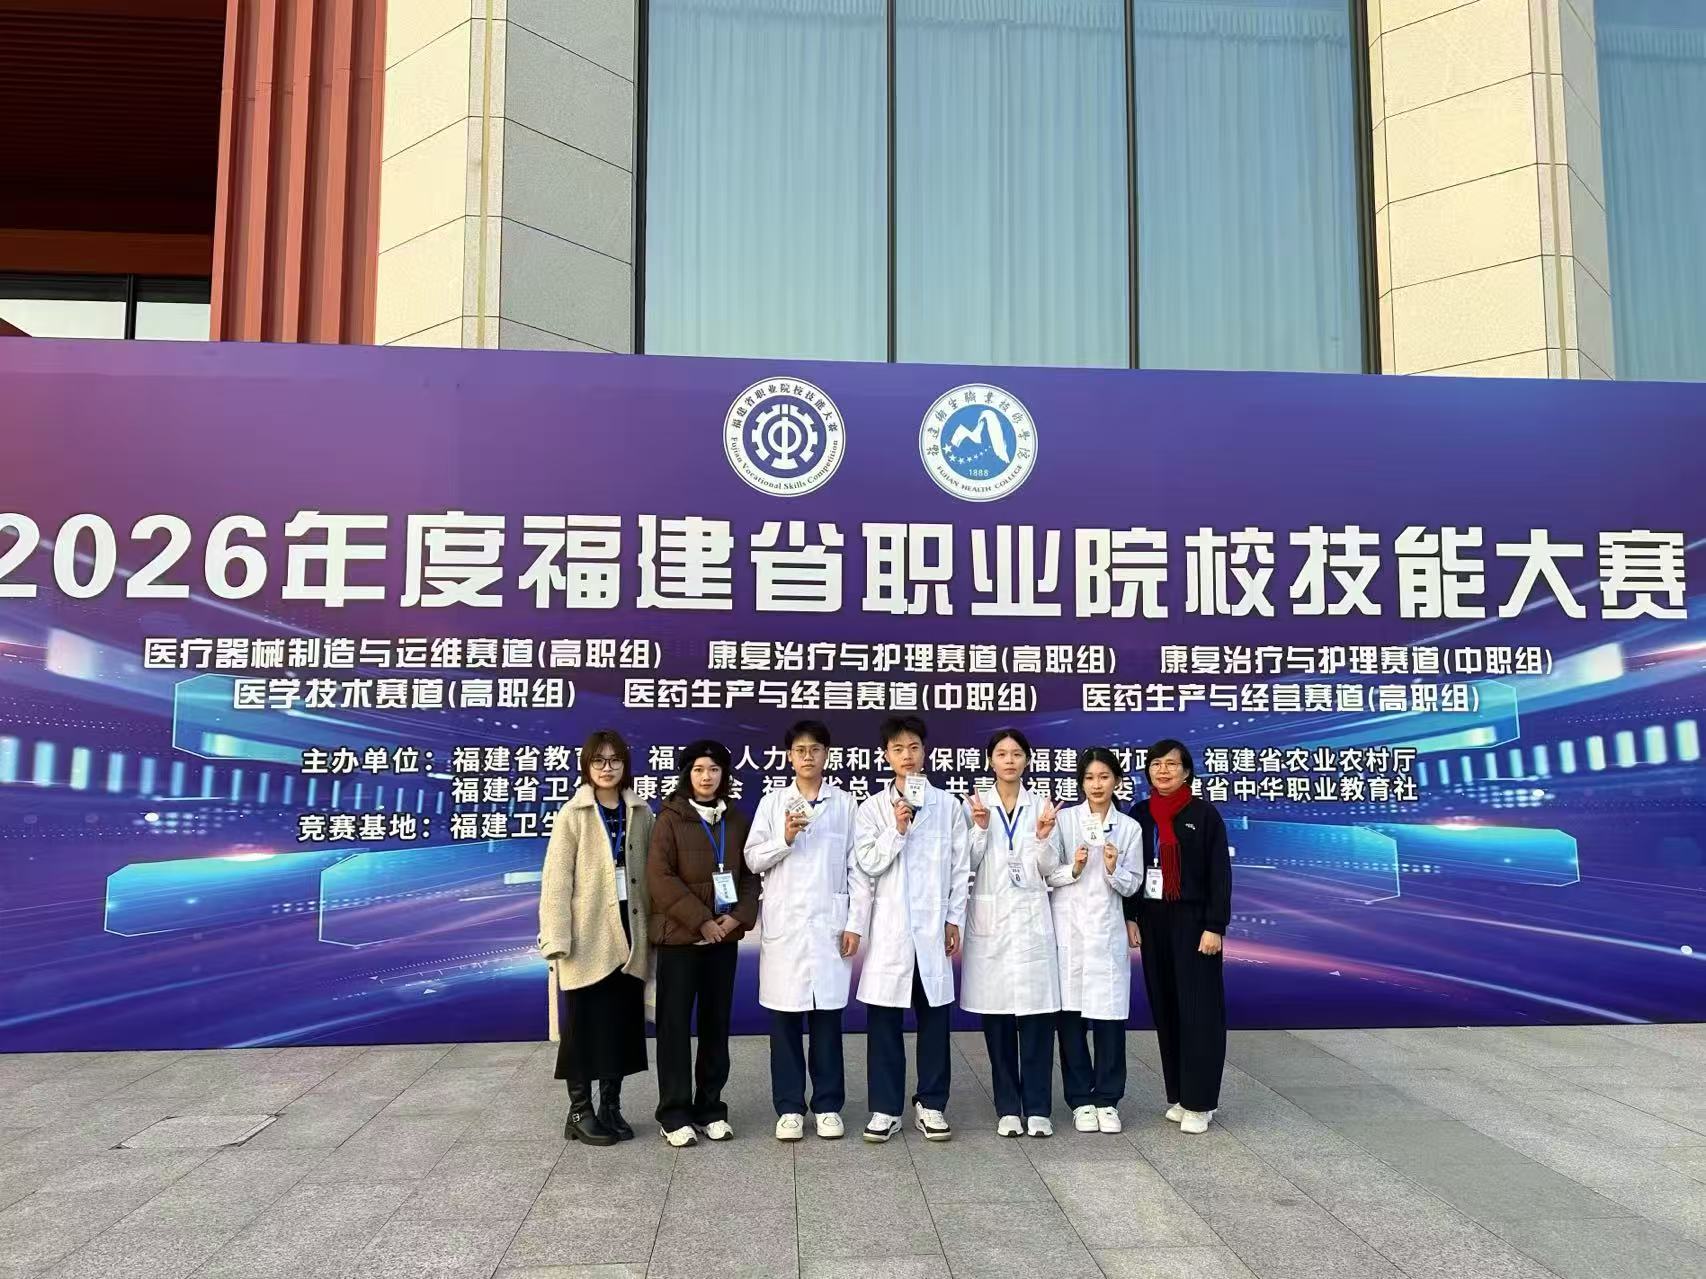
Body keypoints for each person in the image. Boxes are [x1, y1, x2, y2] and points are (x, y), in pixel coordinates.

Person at [850, 714, 970, 1143]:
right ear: (886, 755)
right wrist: (897, 830)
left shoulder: (947, 806)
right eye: (898, 748)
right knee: (884, 1022)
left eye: (914, 747)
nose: (907, 755)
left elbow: (960, 867)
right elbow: (867, 864)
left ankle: (932, 1104)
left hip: (934, 929)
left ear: (925, 753)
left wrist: (954, 918)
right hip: (892, 932)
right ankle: (885, 1109)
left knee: (934, 1021)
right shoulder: (871, 809)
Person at [743, 719, 860, 1141]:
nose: (807, 756)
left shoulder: (845, 805)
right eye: (800, 750)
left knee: (827, 1022)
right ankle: (790, 1107)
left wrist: (854, 923)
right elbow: (753, 859)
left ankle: (828, 1106)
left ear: (827, 755)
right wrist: (785, 838)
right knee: (785, 1023)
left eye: (815, 749)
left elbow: (857, 868)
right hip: (787, 930)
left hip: (829, 926)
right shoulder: (773, 804)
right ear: (789, 756)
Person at [537, 730, 654, 1146]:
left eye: (615, 760)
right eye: (599, 761)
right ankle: (579, 1111)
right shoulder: (574, 814)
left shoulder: (641, 811)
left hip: (631, 929)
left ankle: (611, 1107)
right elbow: (556, 881)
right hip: (586, 934)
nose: (607, 768)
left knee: (621, 1024)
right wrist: (556, 938)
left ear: (625, 765)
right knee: (584, 1026)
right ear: (587, 766)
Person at [646, 740, 758, 1147]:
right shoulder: (669, 818)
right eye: (698, 769)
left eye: (713, 769)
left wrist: (737, 917)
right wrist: (702, 922)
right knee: (674, 1027)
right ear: (687, 775)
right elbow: (660, 879)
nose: (706, 777)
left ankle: (711, 1108)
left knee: (716, 1025)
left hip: (722, 941)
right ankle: (674, 1113)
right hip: (679, 942)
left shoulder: (737, 820)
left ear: (724, 775)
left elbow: (751, 877)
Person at [1124, 739, 1232, 1135]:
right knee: (1167, 1007)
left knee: (1199, 1011)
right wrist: (1131, 916)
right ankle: (1181, 1096)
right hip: (1154, 921)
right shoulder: (1140, 815)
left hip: (1194, 922)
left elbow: (1219, 875)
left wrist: (1214, 926)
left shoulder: (1203, 815)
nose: (1163, 770)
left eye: (1172, 764)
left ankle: (1201, 1102)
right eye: (1156, 764)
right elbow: (1133, 870)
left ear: (1187, 772)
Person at [960, 728, 1061, 1138]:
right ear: (990, 761)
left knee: (1036, 1020)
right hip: (992, 922)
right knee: (998, 1020)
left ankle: (1037, 1108)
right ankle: (1007, 1107)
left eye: (1017, 754)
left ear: (1027, 761)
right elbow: (965, 862)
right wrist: (980, 829)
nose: (1009, 760)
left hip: (1031, 921)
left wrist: (1042, 837)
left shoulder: (1042, 807)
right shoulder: (974, 805)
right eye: (1001, 754)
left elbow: (1050, 867)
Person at [1046, 748, 1141, 1134]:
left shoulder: (1129, 828)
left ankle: (1107, 1099)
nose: (1097, 785)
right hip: (1069, 932)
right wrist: (1076, 867)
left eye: (1104, 777)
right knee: (1070, 1021)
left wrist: (1113, 869)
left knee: (1109, 1021)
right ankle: (1080, 1100)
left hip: (1106, 934)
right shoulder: (1065, 820)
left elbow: (1133, 884)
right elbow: (1047, 873)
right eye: (1089, 778)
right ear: (1081, 782)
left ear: (1116, 780)